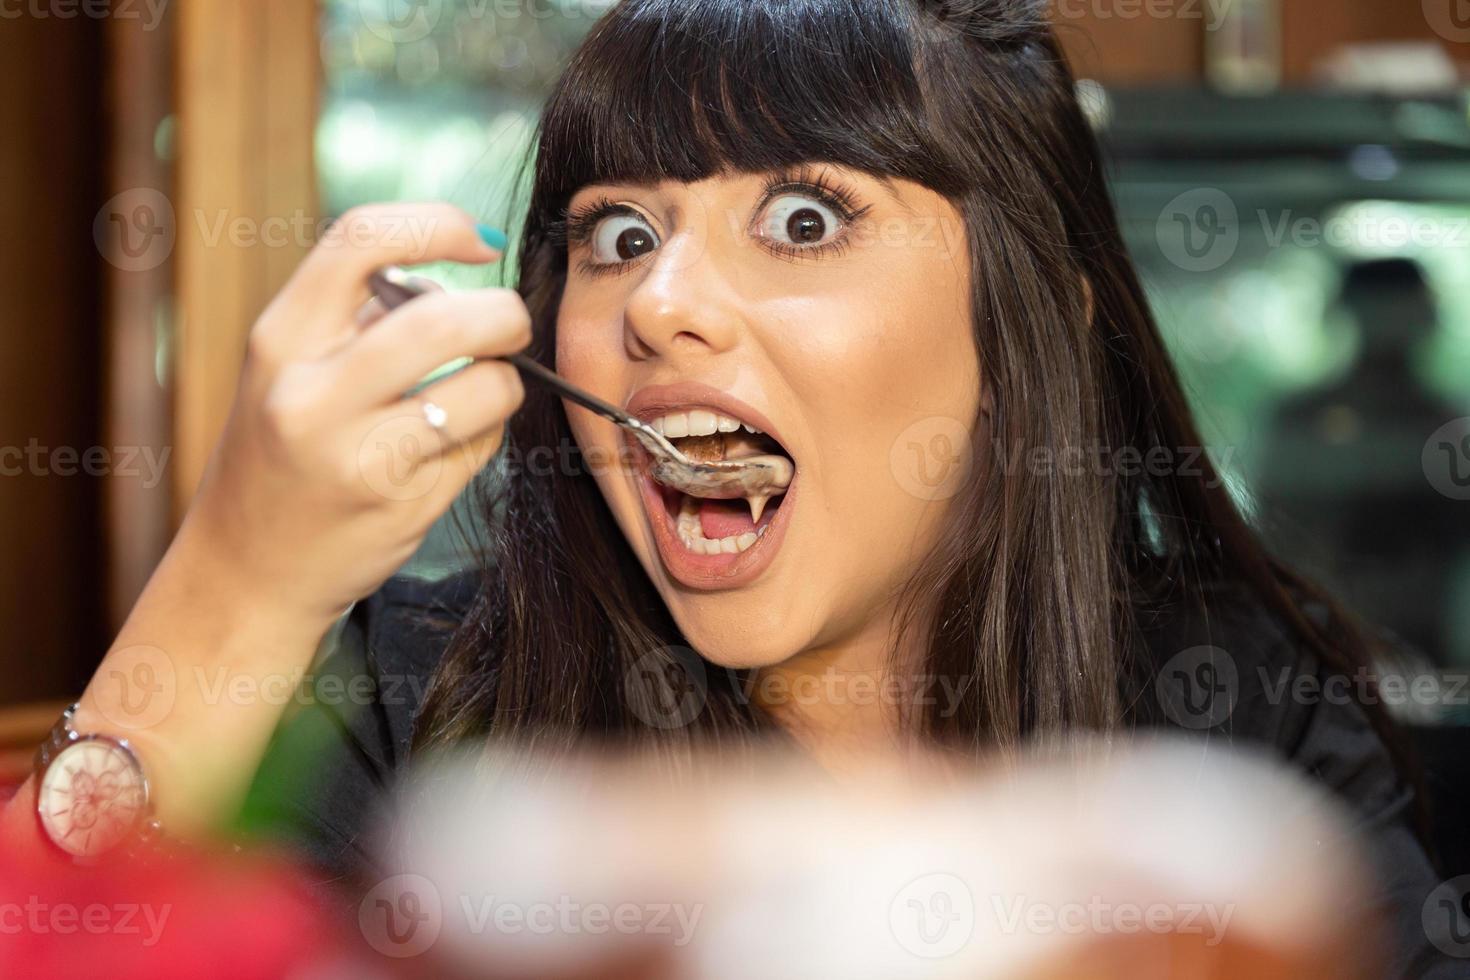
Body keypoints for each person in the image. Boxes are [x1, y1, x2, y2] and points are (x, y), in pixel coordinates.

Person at [4, 1, 1460, 975]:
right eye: (618, 232)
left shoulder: (1236, 703)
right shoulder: (416, 700)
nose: (661, 307)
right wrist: (237, 584)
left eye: (807, 216)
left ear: (1035, 330)